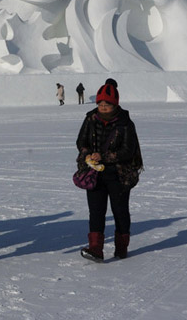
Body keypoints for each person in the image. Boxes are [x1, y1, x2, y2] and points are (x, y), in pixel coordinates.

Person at [76, 82, 143, 262]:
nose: (103, 107)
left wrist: (103, 156)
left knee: (120, 211)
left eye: (107, 104)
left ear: (115, 104)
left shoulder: (125, 123)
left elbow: (128, 151)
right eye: (100, 104)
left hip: (119, 175)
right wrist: (87, 154)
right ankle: (95, 248)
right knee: (96, 212)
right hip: (95, 173)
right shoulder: (90, 119)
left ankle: (121, 247)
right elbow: (81, 141)